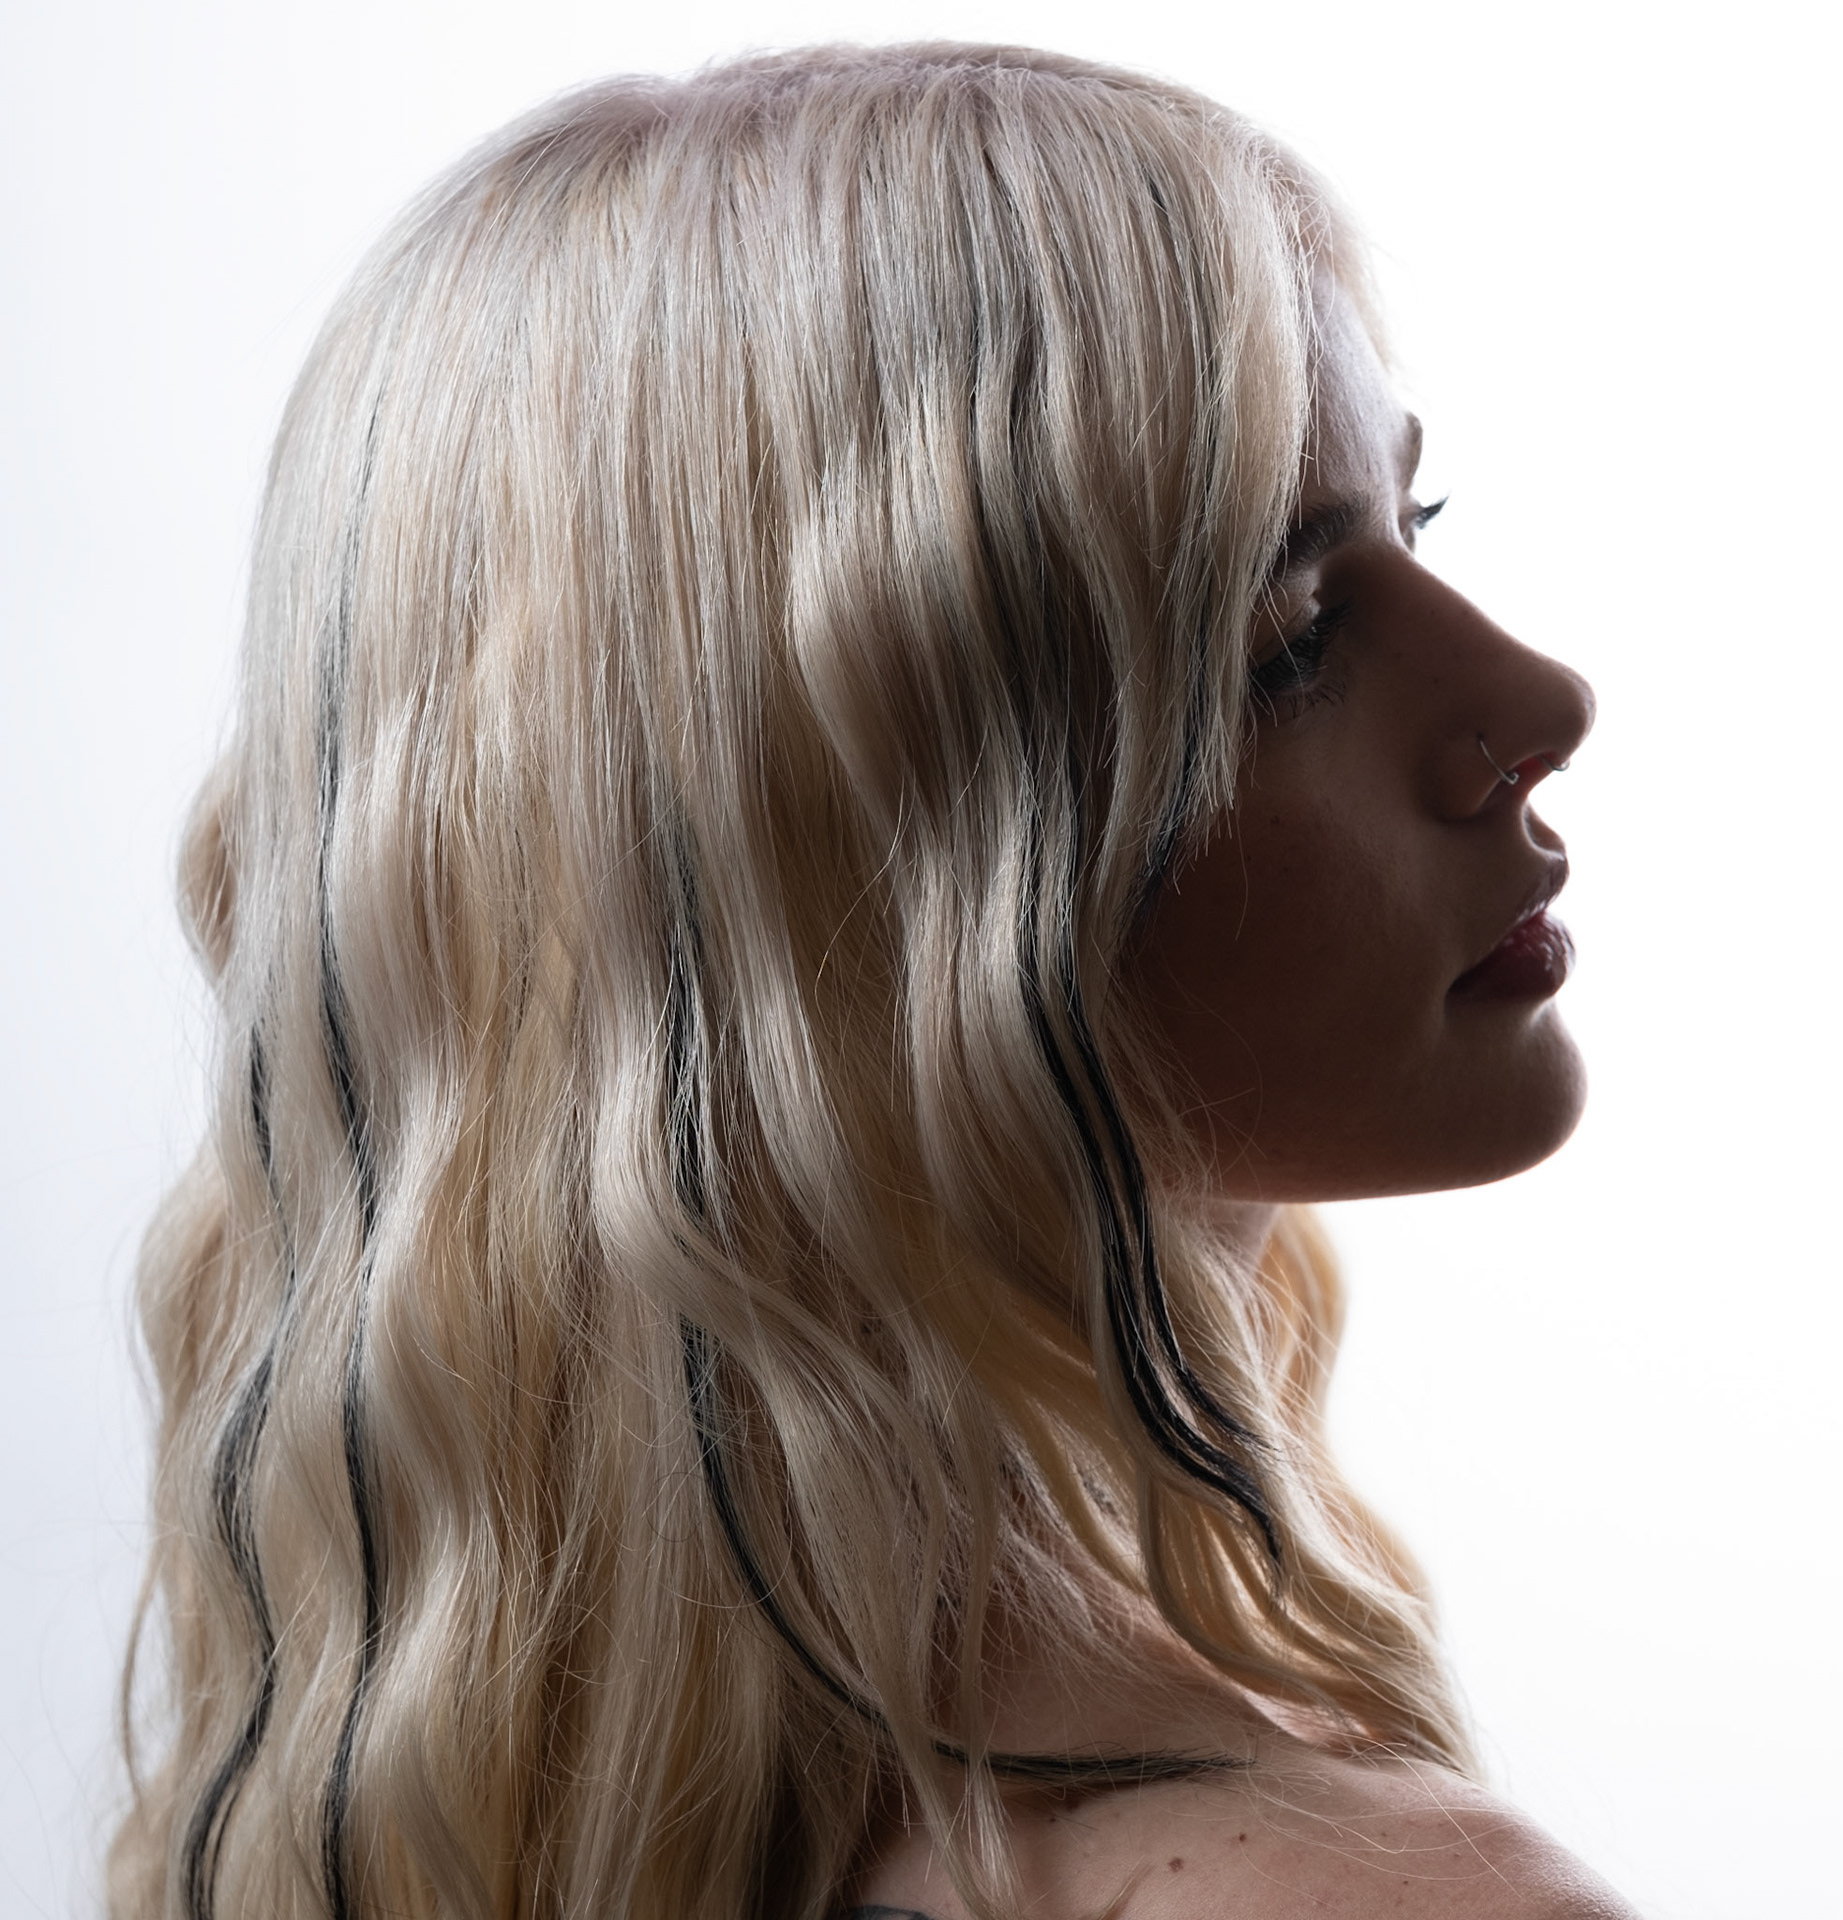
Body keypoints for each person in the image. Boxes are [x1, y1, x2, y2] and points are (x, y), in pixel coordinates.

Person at [109, 42, 1630, 1920]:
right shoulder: (1366, 1898)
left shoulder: (404, 1838)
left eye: (1421, 528)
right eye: (1291, 635)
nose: (1539, 700)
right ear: (882, 864)